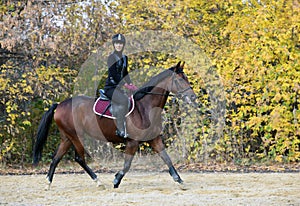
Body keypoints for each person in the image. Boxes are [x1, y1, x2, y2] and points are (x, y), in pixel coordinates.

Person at [104, 33, 137, 138]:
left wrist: (131, 83)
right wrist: (125, 85)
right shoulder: (111, 58)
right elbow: (114, 74)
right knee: (123, 100)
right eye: (117, 43)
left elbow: (125, 73)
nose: (119, 45)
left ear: (123, 45)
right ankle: (120, 130)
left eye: (121, 44)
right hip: (110, 88)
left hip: (118, 88)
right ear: (114, 45)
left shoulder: (125, 58)